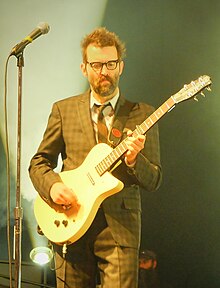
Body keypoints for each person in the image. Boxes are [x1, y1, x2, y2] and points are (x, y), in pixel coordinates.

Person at [29, 27, 162, 288]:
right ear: (84, 68)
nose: (104, 71)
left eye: (111, 64)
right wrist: (54, 186)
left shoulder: (142, 114)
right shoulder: (63, 110)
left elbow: (155, 179)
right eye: (97, 64)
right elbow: (39, 163)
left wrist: (135, 160)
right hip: (70, 223)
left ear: (120, 66)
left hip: (120, 229)